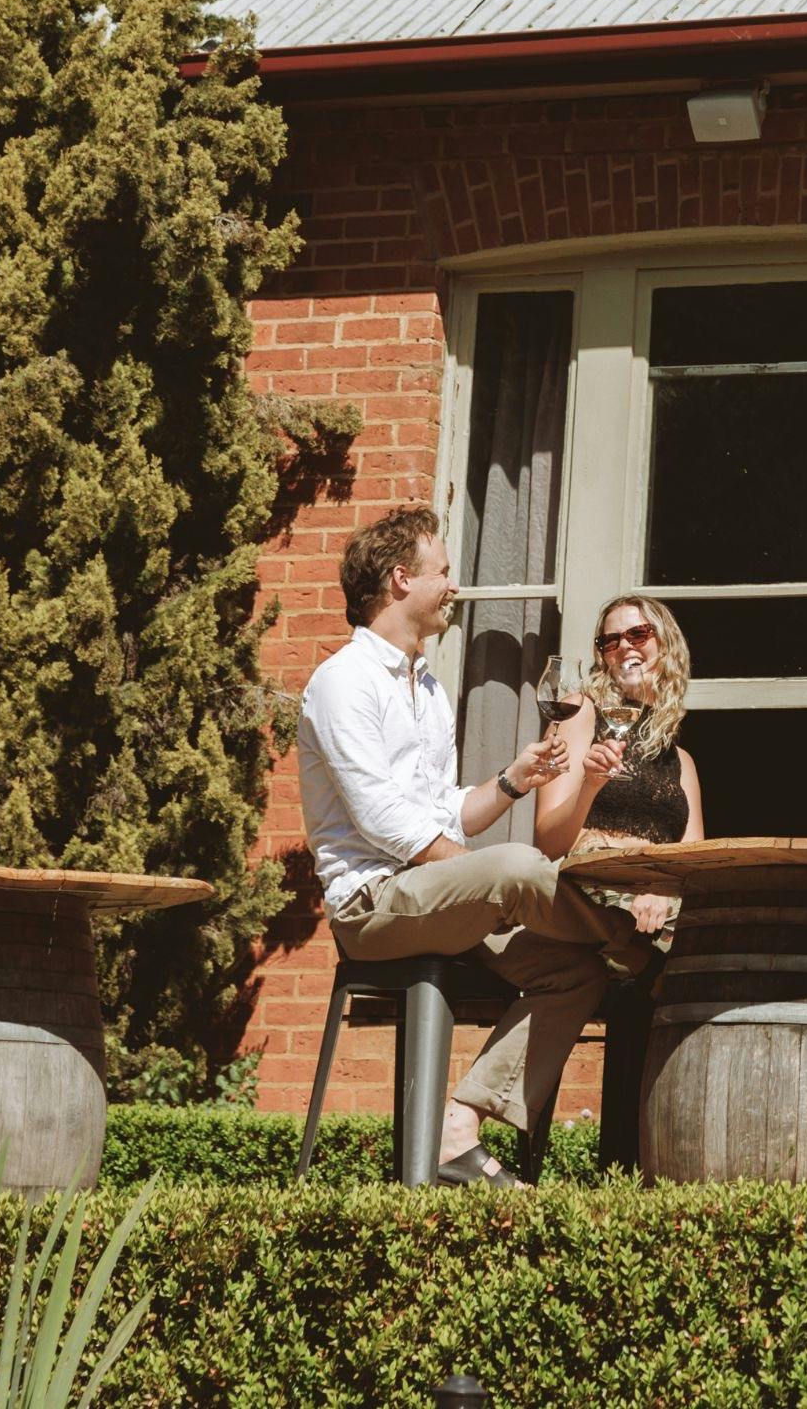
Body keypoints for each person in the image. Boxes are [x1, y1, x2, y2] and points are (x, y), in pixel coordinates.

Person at [297, 504, 636, 1188]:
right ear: (402, 580)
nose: (452, 586)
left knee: (576, 971)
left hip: (434, 896)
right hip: (371, 904)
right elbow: (388, 825)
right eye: (443, 572)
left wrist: (513, 780)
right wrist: (491, 884)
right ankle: (635, 942)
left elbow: (442, 812)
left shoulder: (425, 686)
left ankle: (459, 1126)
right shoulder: (343, 683)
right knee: (516, 869)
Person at [534, 593, 705, 943]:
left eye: (638, 635)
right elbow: (548, 841)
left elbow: (694, 862)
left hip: (660, 902)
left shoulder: (681, 761)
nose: (624, 646)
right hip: (596, 891)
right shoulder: (580, 711)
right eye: (610, 641)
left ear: (666, 644)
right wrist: (590, 785)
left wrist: (661, 889)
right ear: (603, 656)